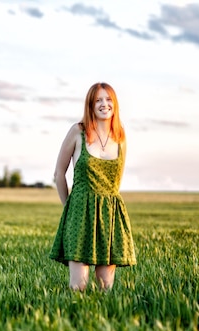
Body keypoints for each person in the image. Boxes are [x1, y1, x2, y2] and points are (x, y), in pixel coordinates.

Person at [49, 82, 136, 291]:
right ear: (90, 105)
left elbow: (117, 182)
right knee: (78, 286)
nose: (104, 104)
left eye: (108, 100)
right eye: (98, 100)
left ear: (114, 104)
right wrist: (68, 208)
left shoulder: (121, 137)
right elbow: (59, 174)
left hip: (110, 214)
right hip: (79, 212)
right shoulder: (78, 132)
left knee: (105, 286)